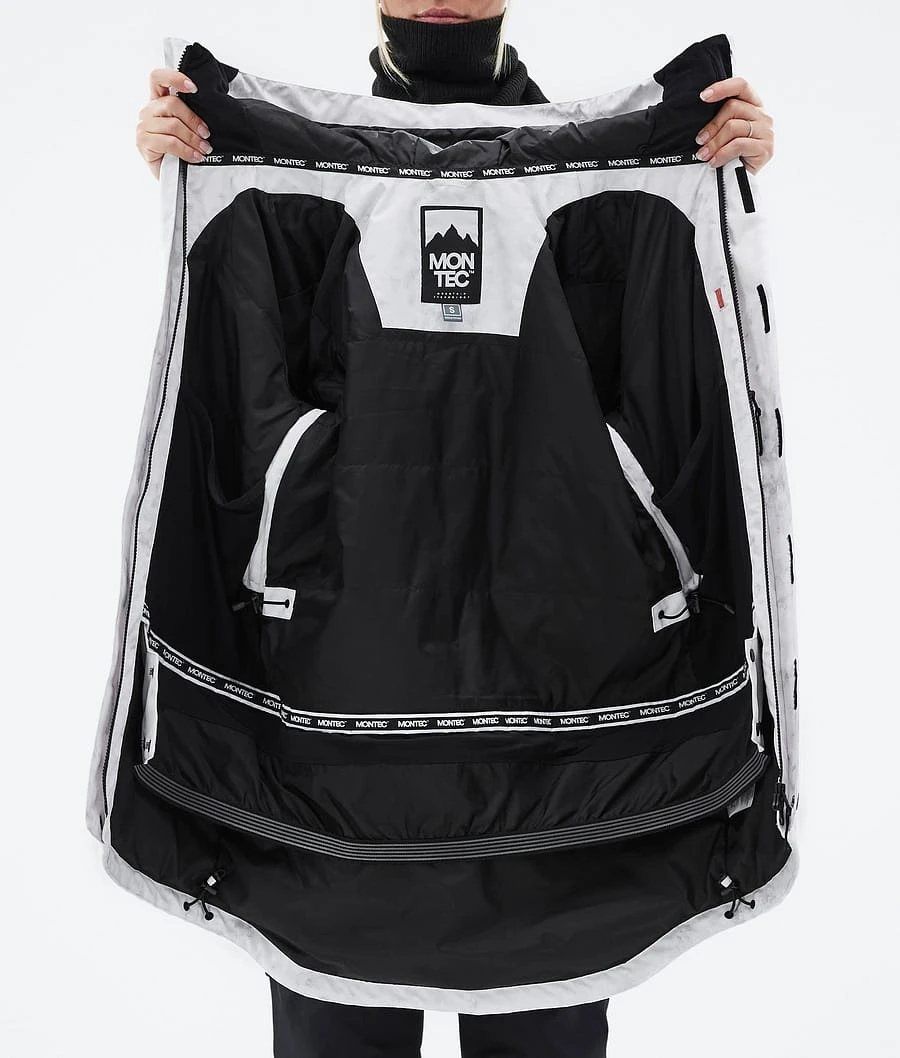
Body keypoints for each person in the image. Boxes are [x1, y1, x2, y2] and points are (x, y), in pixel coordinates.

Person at [134, 3, 776, 1054]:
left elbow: (675, 407)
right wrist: (194, 175)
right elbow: (234, 401)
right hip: (336, 739)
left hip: (559, 731)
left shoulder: (612, 184)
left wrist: (719, 187)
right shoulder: (296, 183)